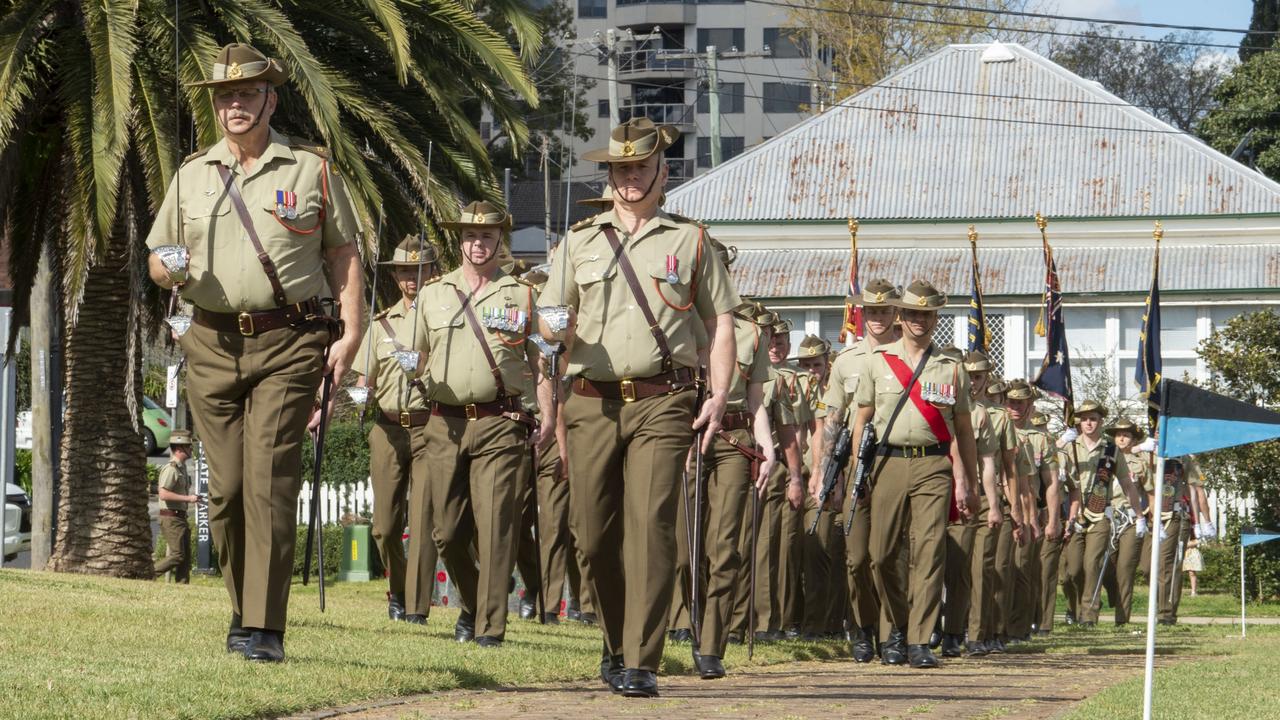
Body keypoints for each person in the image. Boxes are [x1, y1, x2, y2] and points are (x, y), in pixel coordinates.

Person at [146, 43, 364, 662]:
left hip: (289, 341)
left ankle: (265, 628)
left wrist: (350, 331)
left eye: (245, 94)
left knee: (268, 479)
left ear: (271, 98)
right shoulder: (191, 174)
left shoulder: (308, 169)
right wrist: (166, 270)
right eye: (224, 96)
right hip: (210, 342)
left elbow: (342, 254)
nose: (234, 105)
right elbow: (158, 254)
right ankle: (243, 609)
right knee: (228, 489)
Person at [538, 118, 739, 698]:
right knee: (591, 535)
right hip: (590, 402)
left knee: (651, 525)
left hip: (663, 399)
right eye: (619, 169)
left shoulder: (691, 240)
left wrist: (720, 394)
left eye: (638, 168)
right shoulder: (578, 242)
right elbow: (550, 319)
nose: (629, 178)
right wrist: (552, 333)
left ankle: (642, 659)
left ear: (661, 172)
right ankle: (616, 637)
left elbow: (719, 321)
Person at [416, 201, 550, 648]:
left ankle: (490, 627)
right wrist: (411, 371)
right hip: (443, 423)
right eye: (471, 236)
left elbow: (540, 361)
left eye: (488, 237)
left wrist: (546, 413)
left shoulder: (521, 294)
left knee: (496, 526)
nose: (479, 244)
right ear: (459, 240)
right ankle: (473, 604)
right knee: (447, 531)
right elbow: (415, 353)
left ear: (500, 240)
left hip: (499, 421)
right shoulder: (432, 294)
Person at [849, 279, 979, 669]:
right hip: (887, 463)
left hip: (933, 465)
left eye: (927, 313)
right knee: (881, 554)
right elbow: (861, 420)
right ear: (900, 316)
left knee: (929, 550)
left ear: (935, 316)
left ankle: (920, 640)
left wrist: (967, 482)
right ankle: (899, 627)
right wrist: (859, 471)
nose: (919, 320)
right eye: (912, 313)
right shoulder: (877, 361)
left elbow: (964, 431)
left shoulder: (951, 367)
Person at [352, 236, 438, 623]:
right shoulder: (381, 323)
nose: (411, 279)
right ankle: (400, 591)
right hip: (387, 430)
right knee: (385, 528)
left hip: (428, 428)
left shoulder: (443, 321)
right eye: (404, 271)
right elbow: (362, 377)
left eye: (419, 271)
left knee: (422, 525)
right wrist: (357, 394)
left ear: (433, 272)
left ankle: (417, 606)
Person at [816, 279, 901, 662]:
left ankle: (895, 631)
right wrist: (824, 472)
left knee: (892, 555)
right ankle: (864, 628)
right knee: (857, 556)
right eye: (872, 311)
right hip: (854, 465)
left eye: (885, 310)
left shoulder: (907, 356)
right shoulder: (847, 360)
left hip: (896, 460)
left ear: (896, 313)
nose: (878, 317)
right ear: (862, 313)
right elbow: (833, 417)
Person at [1061, 400, 1147, 628]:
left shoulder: (1111, 450)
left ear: (1100, 421)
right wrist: (1059, 442)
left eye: (1093, 419)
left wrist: (1139, 516)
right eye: (1084, 419)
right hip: (1075, 515)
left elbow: (1127, 485)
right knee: (1074, 569)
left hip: (1100, 515)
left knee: (1092, 564)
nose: (1088, 423)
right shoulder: (1069, 447)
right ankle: (1078, 606)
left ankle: (1089, 615)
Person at [943, 352, 999, 657]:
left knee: (959, 567)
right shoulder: (936, 402)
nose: (972, 382)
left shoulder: (980, 414)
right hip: (934, 487)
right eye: (968, 375)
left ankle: (953, 632)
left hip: (964, 498)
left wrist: (991, 504)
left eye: (978, 377)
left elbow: (987, 462)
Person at [1005, 380, 1061, 641]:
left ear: (1030, 405)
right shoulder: (995, 430)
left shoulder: (1041, 439)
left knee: (1023, 570)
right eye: (1011, 402)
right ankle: (995, 627)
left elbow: (1051, 483)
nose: (1015, 407)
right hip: (1001, 506)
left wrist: (1052, 520)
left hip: (1030, 512)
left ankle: (1018, 628)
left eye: (1020, 403)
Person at [1101, 417, 1149, 626]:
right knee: (1105, 567)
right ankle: (1113, 596)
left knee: (1125, 569)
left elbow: (1151, 491)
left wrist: (1147, 518)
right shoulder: (1105, 458)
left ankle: (1122, 619)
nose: (1121, 438)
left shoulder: (1140, 463)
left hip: (1129, 517)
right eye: (1118, 434)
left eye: (1126, 434)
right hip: (1108, 515)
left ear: (1133, 438)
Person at [154, 430, 199, 583]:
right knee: (177, 555)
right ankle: (148, 574)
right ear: (179, 448)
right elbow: (163, 494)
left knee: (185, 558)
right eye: (188, 447)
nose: (191, 450)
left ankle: (182, 588)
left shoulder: (182, 468)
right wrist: (189, 499)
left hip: (180, 517)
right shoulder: (171, 469)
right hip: (171, 518)